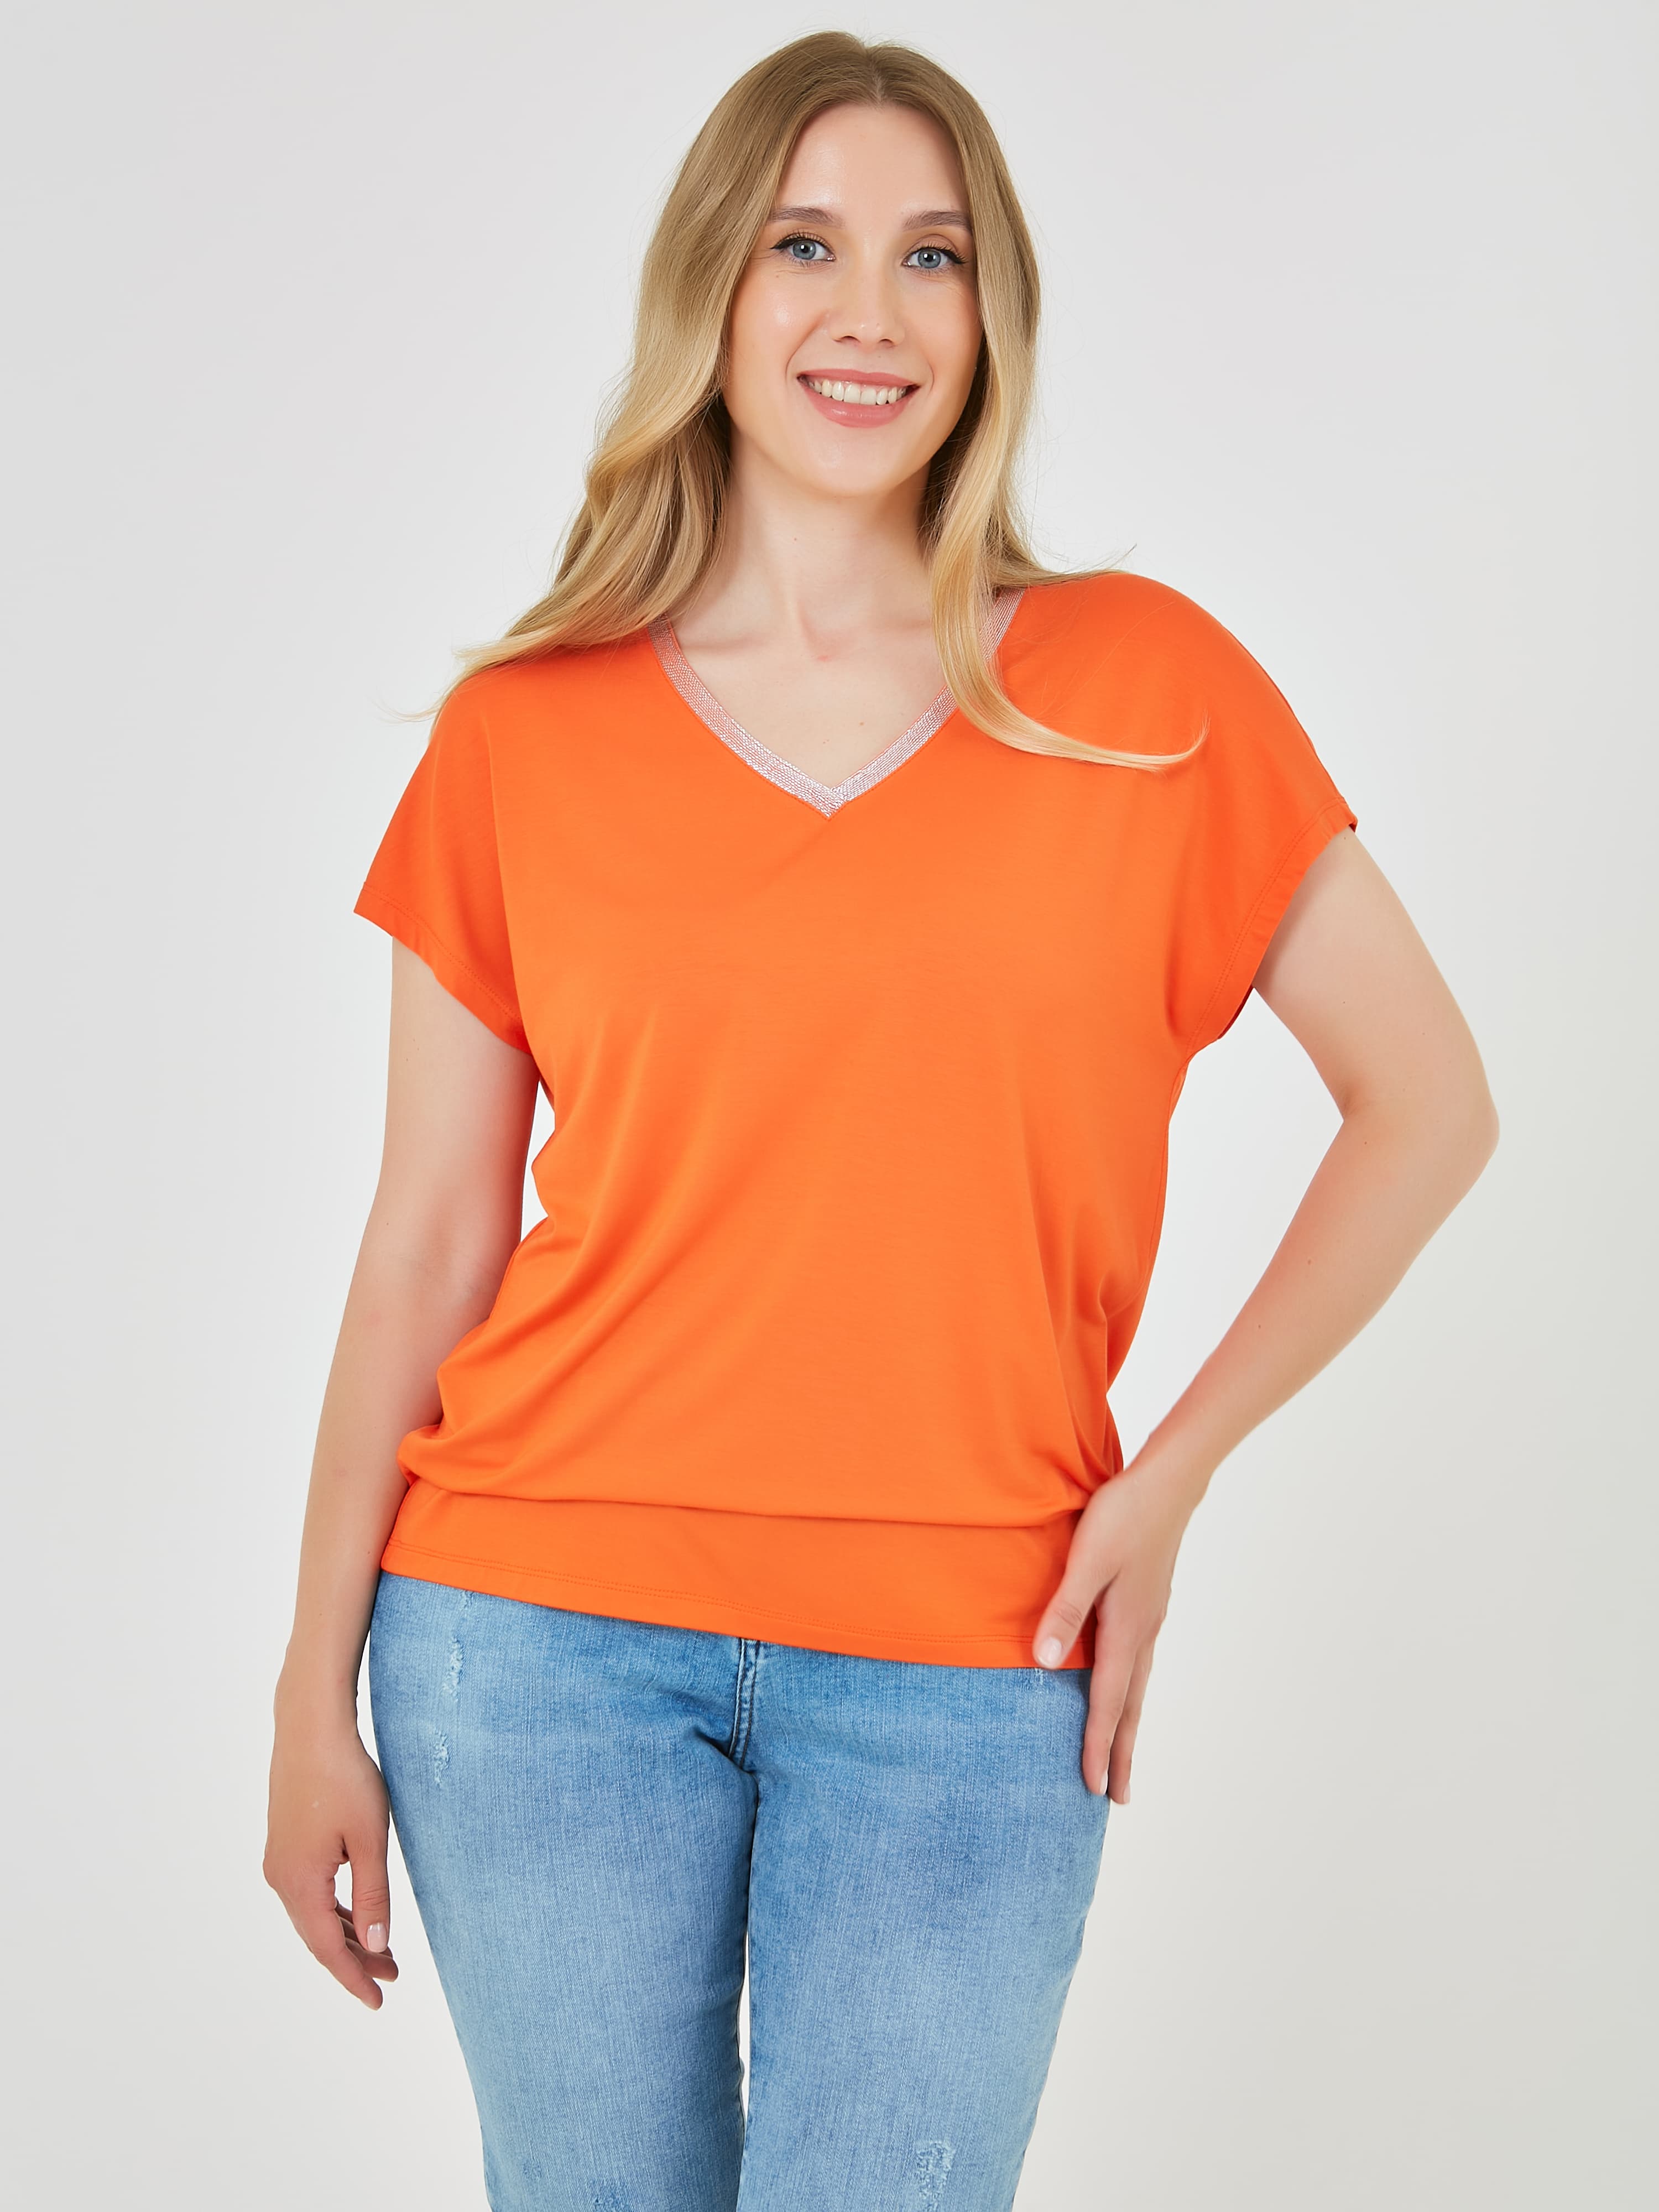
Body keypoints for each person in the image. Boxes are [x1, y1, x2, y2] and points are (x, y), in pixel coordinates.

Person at [264, 30, 1498, 2211]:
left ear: (992, 312)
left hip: (974, 1658)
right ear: (712, 293)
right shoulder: (522, 732)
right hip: (531, 1639)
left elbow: (1428, 1103)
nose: (871, 312)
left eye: (933, 256)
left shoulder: (1149, 694)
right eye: (804, 246)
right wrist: (308, 1687)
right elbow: (430, 1238)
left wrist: (1172, 1476)